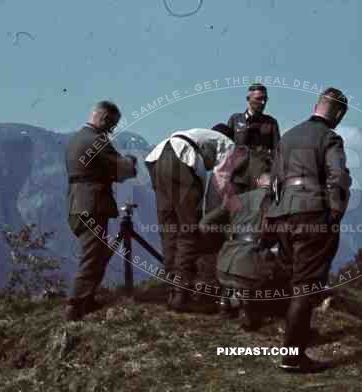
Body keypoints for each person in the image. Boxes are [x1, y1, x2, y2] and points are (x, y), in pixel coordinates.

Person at [266, 87, 352, 373]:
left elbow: (274, 180)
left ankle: (290, 341)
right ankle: (292, 357)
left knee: (292, 279)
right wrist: (335, 212)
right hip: (312, 212)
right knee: (305, 285)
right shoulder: (330, 137)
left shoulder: (288, 136)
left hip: (282, 214)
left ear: (317, 105)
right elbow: (337, 176)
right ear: (338, 113)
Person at [145, 127, 234, 312]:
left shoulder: (201, 136)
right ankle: (181, 294)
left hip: (157, 158)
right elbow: (219, 184)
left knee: (169, 230)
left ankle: (170, 289)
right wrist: (210, 215)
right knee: (187, 232)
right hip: (180, 160)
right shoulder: (229, 145)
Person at [64, 100, 137, 321]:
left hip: (77, 202)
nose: (111, 130)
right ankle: (75, 304)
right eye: (112, 125)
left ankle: (86, 299)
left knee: (95, 251)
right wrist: (131, 161)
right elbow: (122, 169)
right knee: (93, 255)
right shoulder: (97, 141)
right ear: (105, 119)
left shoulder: (76, 139)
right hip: (92, 203)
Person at [200, 172, 289, 331]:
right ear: (276, 186)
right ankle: (249, 307)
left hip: (222, 268)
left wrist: (225, 242)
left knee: (242, 263)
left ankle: (225, 303)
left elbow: (204, 224)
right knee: (282, 268)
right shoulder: (277, 204)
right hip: (249, 273)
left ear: (256, 182)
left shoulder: (235, 199)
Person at [227, 83, 280, 153]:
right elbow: (226, 147)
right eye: (259, 99)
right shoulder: (235, 119)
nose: (263, 102)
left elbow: (277, 151)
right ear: (248, 99)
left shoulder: (271, 123)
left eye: (265, 99)